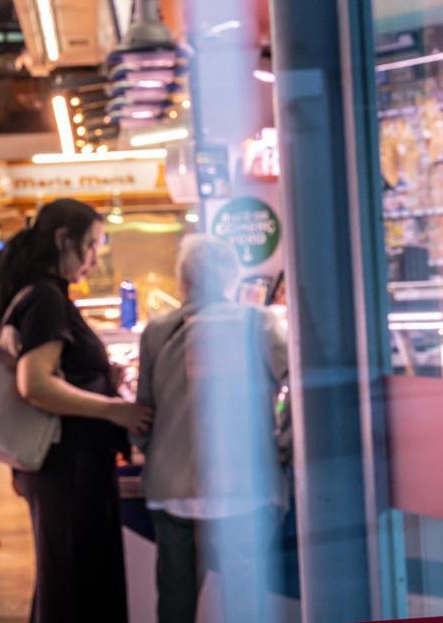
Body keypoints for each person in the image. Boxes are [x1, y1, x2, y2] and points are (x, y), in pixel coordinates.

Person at [0, 199, 152, 623]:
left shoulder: (37, 294)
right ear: (64, 241)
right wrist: (114, 411)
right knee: (77, 583)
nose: (95, 258)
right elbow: (34, 383)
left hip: (60, 465)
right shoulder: (45, 298)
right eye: (91, 245)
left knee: (65, 580)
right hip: (69, 465)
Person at [136, 235, 289, 623]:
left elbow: (143, 413)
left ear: (182, 281)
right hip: (244, 486)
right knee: (244, 599)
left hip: (171, 487)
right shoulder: (256, 322)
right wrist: (283, 444)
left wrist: (145, 448)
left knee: (175, 597)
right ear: (228, 278)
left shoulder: (156, 332)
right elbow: (298, 385)